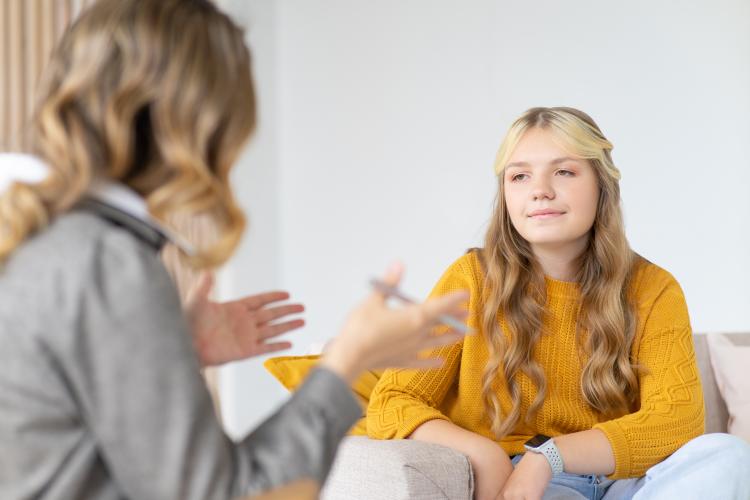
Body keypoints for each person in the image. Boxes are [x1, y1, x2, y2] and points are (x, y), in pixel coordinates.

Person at [0, 1, 469, 498]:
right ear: (203, 120)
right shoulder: (106, 262)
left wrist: (166, 347)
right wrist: (348, 361)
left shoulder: (38, 235)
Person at [366, 107, 750, 500]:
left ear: (602, 184)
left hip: (629, 483)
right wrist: (483, 453)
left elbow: (677, 420)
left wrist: (548, 456)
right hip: (531, 488)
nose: (540, 190)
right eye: (519, 176)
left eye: (564, 172)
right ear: (505, 194)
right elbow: (393, 400)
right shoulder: (471, 279)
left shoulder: (654, 288)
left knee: (730, 456)